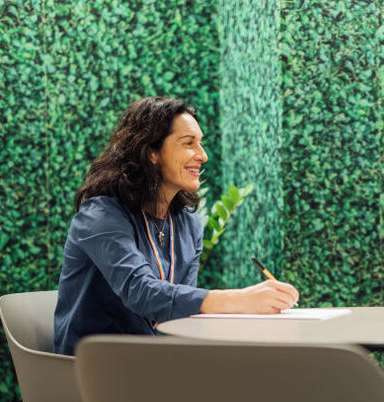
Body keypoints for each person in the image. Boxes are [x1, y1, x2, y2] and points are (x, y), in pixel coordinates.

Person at [54, 97, 298, 355]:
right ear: (152, 152)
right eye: (188, 143)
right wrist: (238, 300)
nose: (202, 156)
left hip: (154, 362)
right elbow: (141, 291)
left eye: (200, 143)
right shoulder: (100, 215)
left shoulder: (188, 221)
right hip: (94, 367)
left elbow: (182, 311)